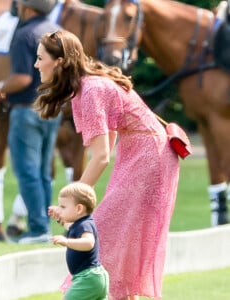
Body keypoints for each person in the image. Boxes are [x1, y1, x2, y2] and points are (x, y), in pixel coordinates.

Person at [33, 29, 180, 300]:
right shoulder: (87, 86)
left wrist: (71, 205)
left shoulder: (89, 91)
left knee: (109, 236)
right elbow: (108, 143)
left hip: (148, 156)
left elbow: (100, 155)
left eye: (40, 58)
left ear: (61, 61)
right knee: (117, 242)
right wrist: (74, 204)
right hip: (146, 153)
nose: (36, 64)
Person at [0, 0, 61, 244]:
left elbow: (21, 78)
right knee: (43, 172)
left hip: (27, 109)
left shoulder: (24, 34)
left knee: (27, 171)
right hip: (52, 108)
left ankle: (38, 228)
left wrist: (1, 87)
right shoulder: (56, 30)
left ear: (28, 8)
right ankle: (44, 226)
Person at [49, 182, 109, 300]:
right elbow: (69, 226)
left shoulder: (84, 225)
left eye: (63, 207)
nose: (61, 210)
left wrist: (66, 241)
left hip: (87, 278)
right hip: (95, 278)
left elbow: (89, 243)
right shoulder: (81, 224)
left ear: (79, 209)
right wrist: (59, 215)